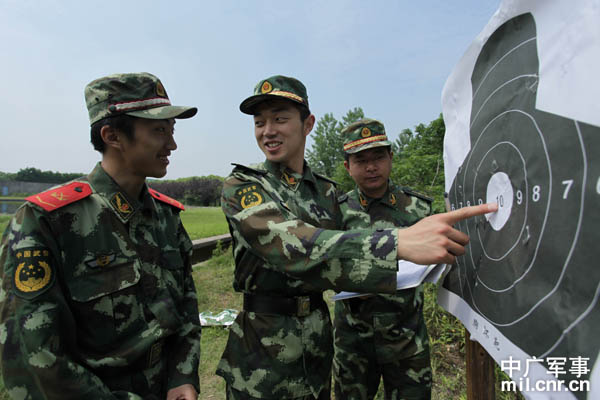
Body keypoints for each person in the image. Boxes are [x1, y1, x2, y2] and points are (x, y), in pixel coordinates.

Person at [217, 75, 497, 400]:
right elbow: (289, 244)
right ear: (348, 165)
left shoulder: (324, 193)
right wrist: (399, 244)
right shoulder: (243, 186)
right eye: (259, 122)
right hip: (263, 349)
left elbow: (338, 261)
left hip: (318, 341)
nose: (268, 130)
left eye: (280, 118)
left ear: (307, 124)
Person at [0, 72, 202, 400]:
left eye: (172, 130)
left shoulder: (166, 216)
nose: (172, 144)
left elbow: (186, 308)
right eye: (159, 131)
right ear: (112, 135)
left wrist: (183, 375)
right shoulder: (47, 221)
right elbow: (35, 354)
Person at [334, 118, 432, 400]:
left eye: (378, 157)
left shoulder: (419, 209)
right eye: (360, 160)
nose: (371, 167)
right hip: (353, 342)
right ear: (347, 167)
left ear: (391, 157)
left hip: (407, 341)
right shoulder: (335, 214)